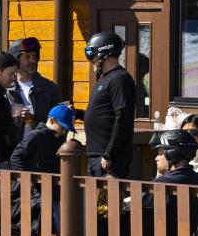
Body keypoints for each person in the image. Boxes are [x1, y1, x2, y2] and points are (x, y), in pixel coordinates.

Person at [83, 31, 136, 179]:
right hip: (97, 154)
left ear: (102, 53)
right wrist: (78, 114)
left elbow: (123, 117)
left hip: (108, 159)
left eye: (90, 53)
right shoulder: (104, 78)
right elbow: (103, 114)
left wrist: (109, 154)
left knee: (106, 202)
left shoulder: (120, 79)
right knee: (97, 202)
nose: (90, 60)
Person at [6, 37, 62, 129]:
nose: (32, 61)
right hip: (15, 143)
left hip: (42, 142)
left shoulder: (49, 88)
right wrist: (14, 116)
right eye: (27, 56)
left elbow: (60, 122)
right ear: (16, 60)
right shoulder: (5, 89)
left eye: (34, 56)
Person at [11, 103, 75, 174]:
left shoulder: (59, 138)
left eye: (67, 129)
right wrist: (27, 180)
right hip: (35, 182)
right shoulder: (35, 135)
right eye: (62, 127)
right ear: (52, 121)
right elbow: (16, 157)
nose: (64, 132)